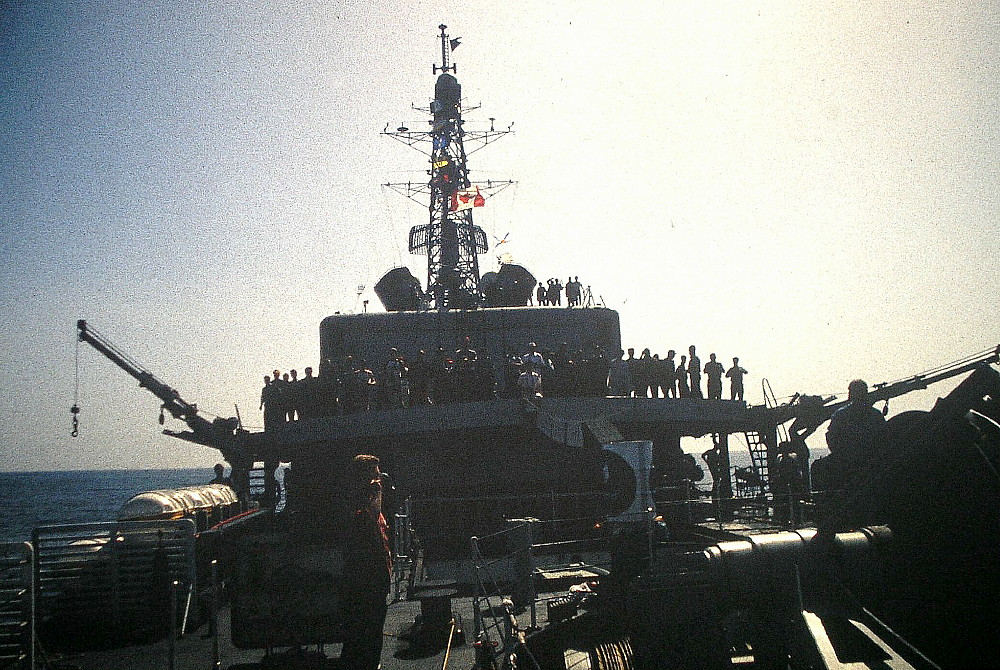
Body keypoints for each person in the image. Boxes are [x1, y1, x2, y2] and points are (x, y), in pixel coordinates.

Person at [340, 454, 392, 670]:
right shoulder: (359, 505)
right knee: (364, 632)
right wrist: (374, 493)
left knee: (369, 630)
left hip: (374, 577)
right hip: (365, 579)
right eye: (375, 474)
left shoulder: (366, 501)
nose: (379, 478)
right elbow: (365, 530)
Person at [826, 379, 885, 465]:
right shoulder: (876, 414)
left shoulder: (840, 414)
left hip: (847, 461)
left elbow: (831, 437)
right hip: (871, 460)